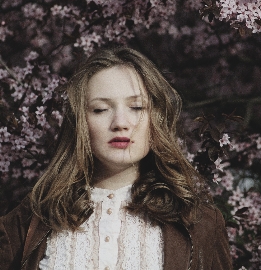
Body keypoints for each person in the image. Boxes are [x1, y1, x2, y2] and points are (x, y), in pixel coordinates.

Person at [0, 47, 233, 270]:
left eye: (137, 107)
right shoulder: (32, 218)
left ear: (156, 118)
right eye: (101, 109)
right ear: (80, 122)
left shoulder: (200, 224)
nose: (120, 122)